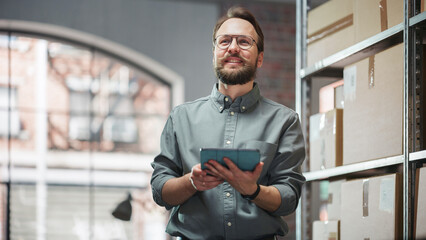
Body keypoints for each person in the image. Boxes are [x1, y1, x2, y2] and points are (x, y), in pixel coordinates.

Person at [151, 6, 306, 240]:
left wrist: (252, 190)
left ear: (260, 58)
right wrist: (191, 182)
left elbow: (289, 198)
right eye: (225, 41)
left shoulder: (285, 121)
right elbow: (160, 190)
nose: (233, 48)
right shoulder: (180, 117)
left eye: (244, 42)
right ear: (214, 53)